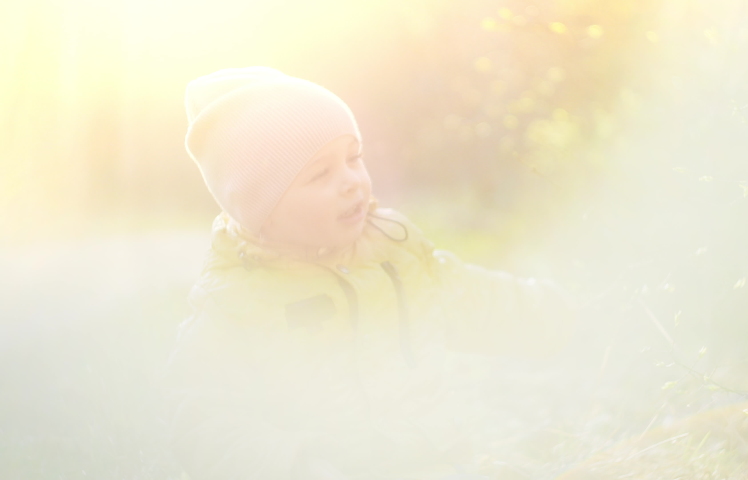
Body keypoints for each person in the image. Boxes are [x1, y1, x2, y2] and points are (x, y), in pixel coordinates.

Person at [163, 66, 577, 480]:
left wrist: (567, 315)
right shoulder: (235, 303)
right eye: (320, 173)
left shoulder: (395, 252)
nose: (350, 181)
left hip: (431, 462)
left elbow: (475, 299)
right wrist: (295, 465)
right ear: (261, 209)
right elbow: (203, 420)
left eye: (353, 158)